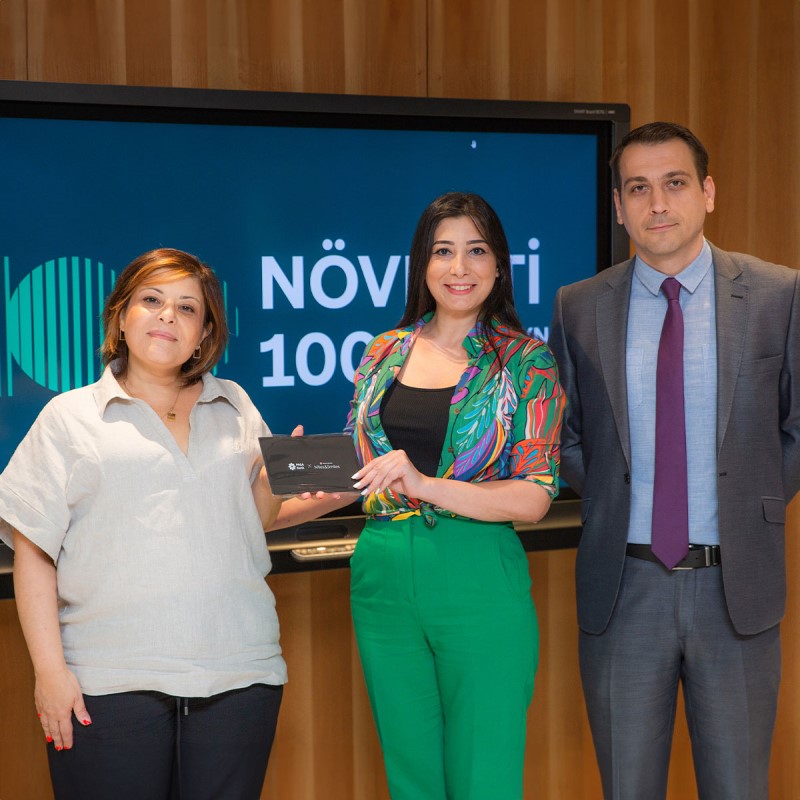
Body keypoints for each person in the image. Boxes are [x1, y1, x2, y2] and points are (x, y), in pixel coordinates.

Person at [0, 248, 309, 800]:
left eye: (187, 308)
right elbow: (34, 553)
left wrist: (291, 482)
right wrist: (50, 674)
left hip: (240, 674)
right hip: (107, 681)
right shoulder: (69, 418)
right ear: (121, 316)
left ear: (204, 334)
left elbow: (253, 519)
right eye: (151, 300)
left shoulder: (235, 404)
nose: (168, 315)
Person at [549, 121, 800, 799]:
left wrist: (750, 503)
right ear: (618, 206)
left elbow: (796, 426)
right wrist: (612, 497)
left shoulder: (778, 294)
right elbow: (562, 435)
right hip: (624, 589)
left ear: (708, 192)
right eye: (638, 188)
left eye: (675, 183)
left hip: (736, 591)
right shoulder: (578, 306)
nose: (657, 203)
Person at [345, 191, 565, 799]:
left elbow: (534, 496)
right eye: (443, 251)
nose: (459, 268)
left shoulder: (527, 361)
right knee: (410, 775)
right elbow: (362, 470)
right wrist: (298, 475)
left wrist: (425, 485)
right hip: (382, 575)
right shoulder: (382, 351)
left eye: (476, 251)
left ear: (499, 266)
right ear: (422, 263)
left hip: (478, 574)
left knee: (482, 775)